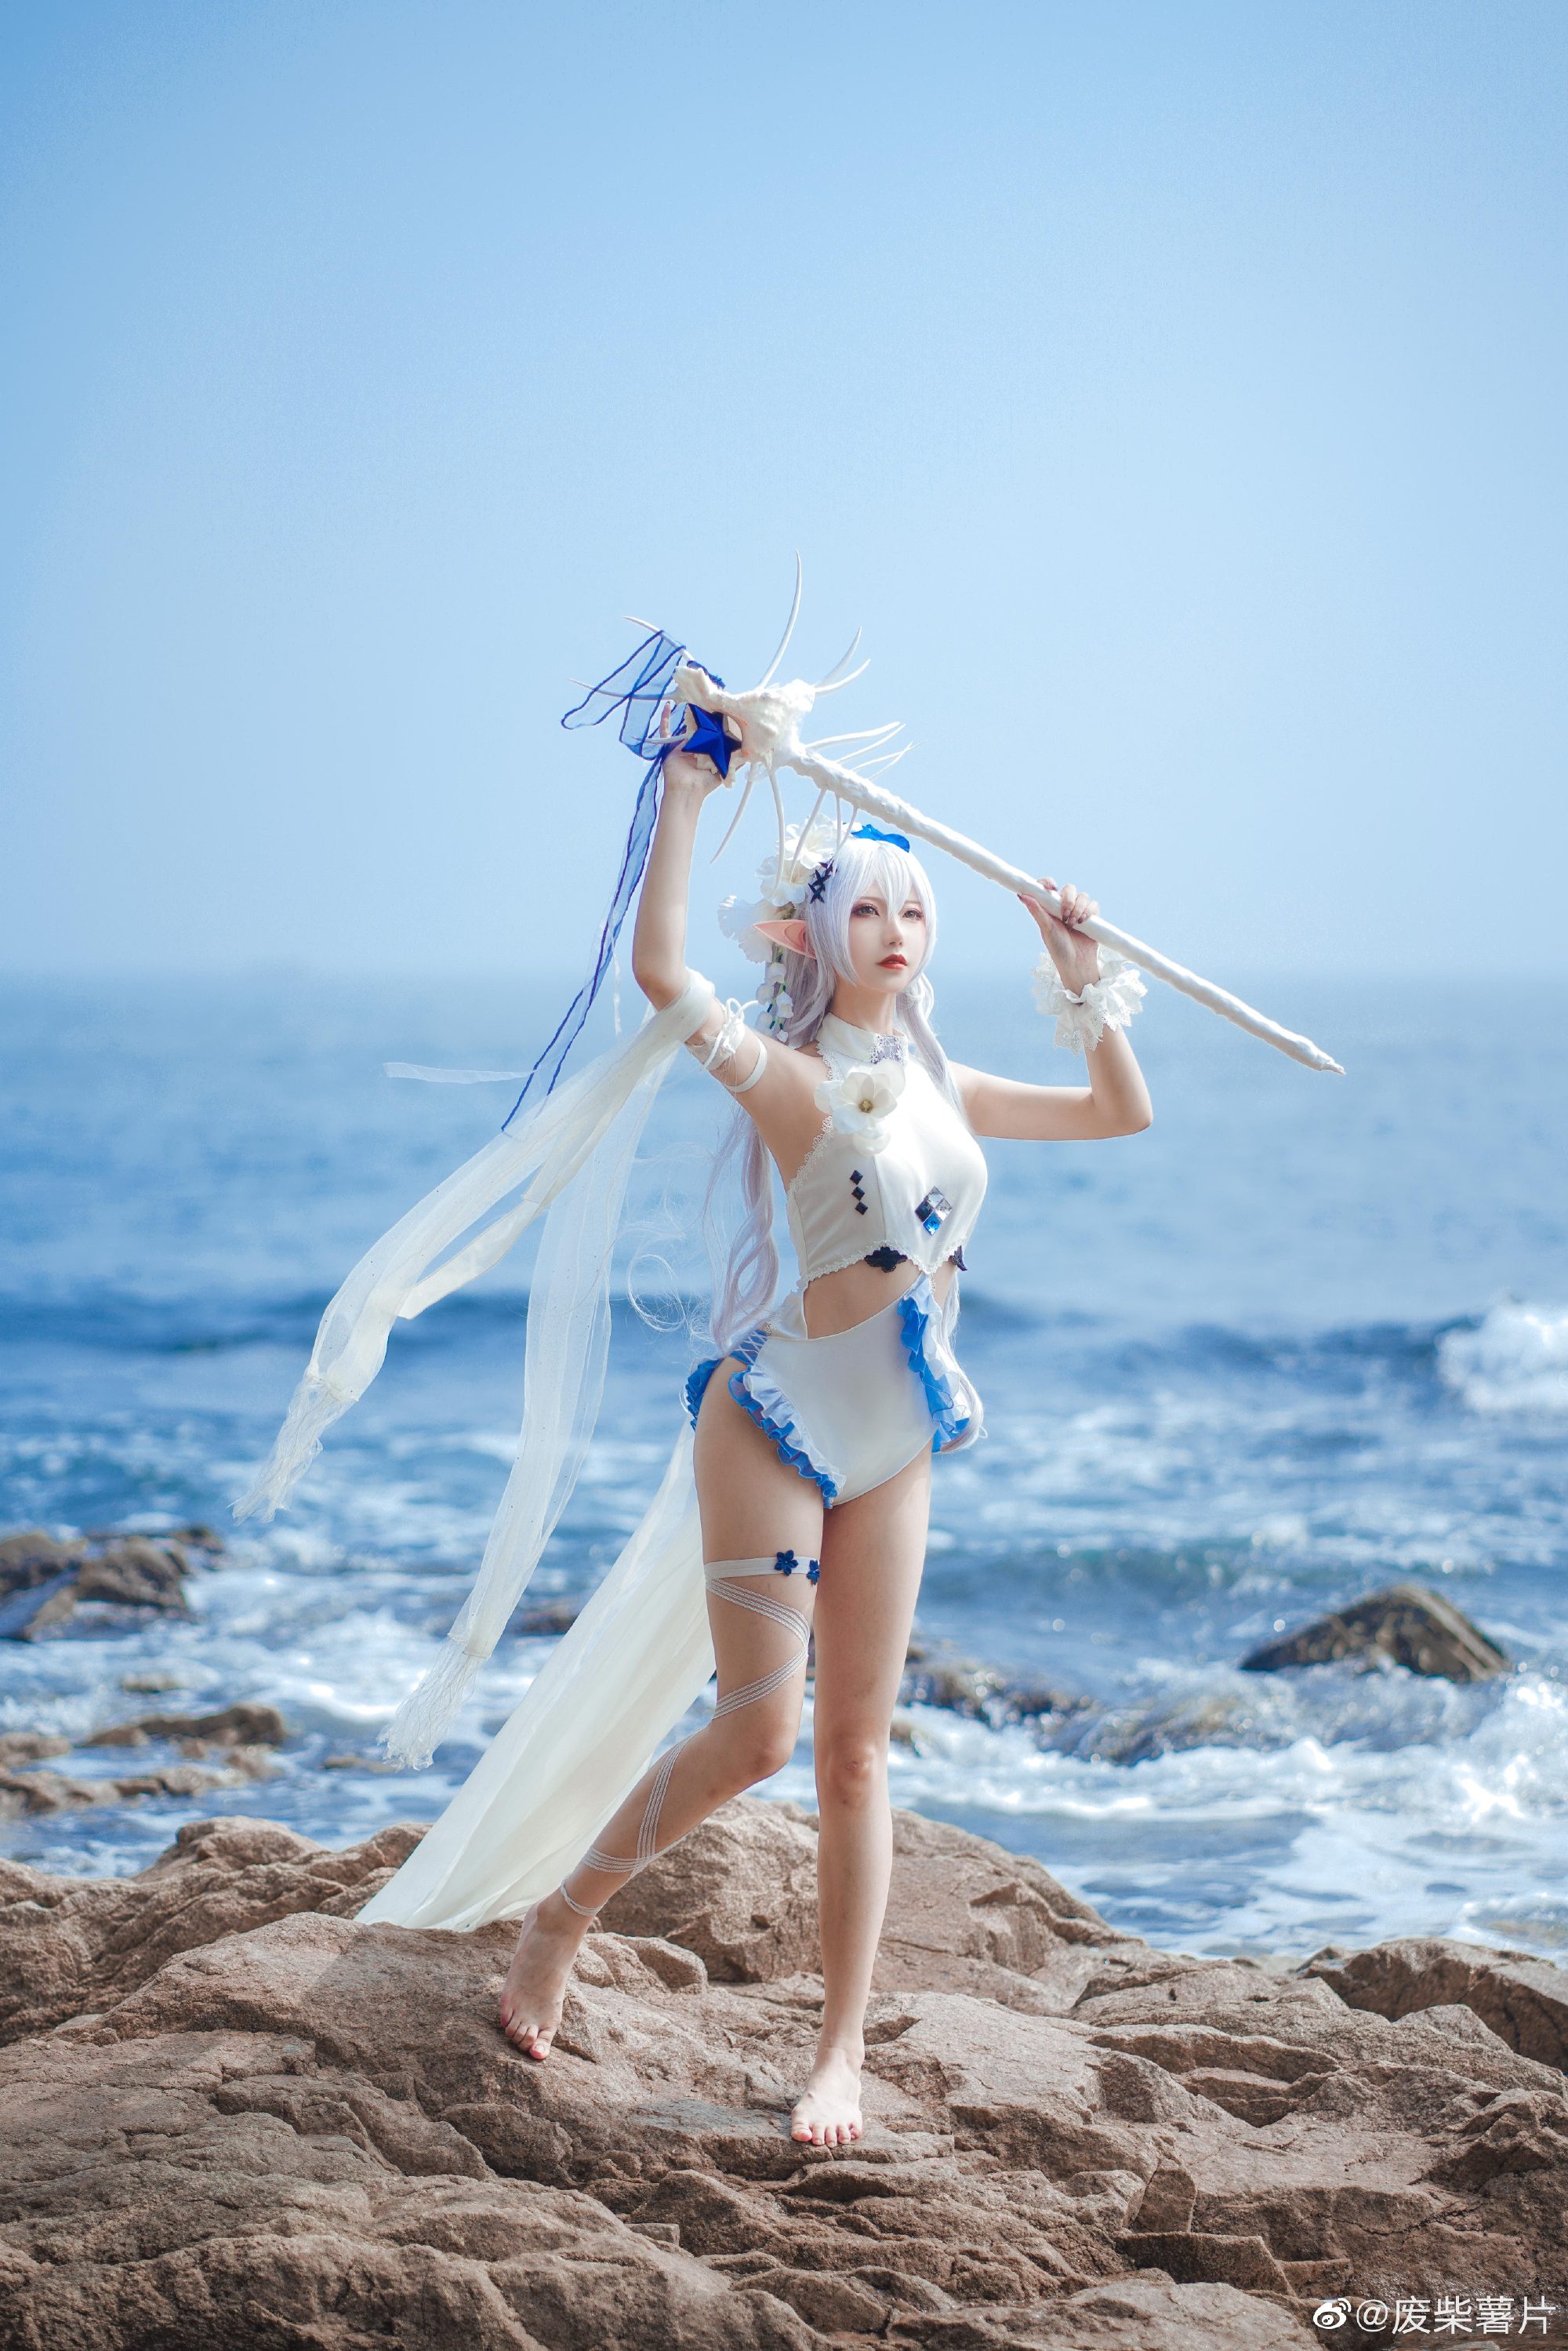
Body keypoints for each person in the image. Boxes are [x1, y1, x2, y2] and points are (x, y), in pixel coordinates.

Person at [495, 714, 1152, 2146]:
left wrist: (1077, 971)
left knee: (857, 1757)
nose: (897, 930)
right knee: (757, 1737)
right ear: (815, 932)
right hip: (777, 1421)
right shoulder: (790, 1077)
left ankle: (838, 2056)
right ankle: (562, 1917)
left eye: (914, 909)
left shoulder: (951, 1087)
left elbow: (1121, 1111)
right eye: (868, 908)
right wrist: (685, 792)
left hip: (898, 1440)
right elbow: (662, 974)